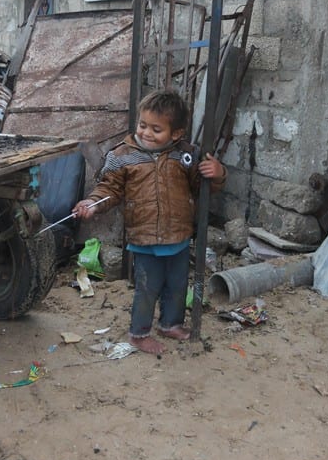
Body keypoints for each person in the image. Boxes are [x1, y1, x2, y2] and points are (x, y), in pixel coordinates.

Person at [72, 90, 226, 355]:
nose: (146, 133)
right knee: (147, 288)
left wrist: (218, 174)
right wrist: (92, 203)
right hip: (144, 240)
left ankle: (170, 323)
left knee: (177, 285)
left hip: (178, 236)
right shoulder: (122, 156)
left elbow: (201, 187)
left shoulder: (185, 155)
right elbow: (109, 189)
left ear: (176, 133)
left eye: (156, 129)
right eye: (143, 125)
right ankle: (139, 333)